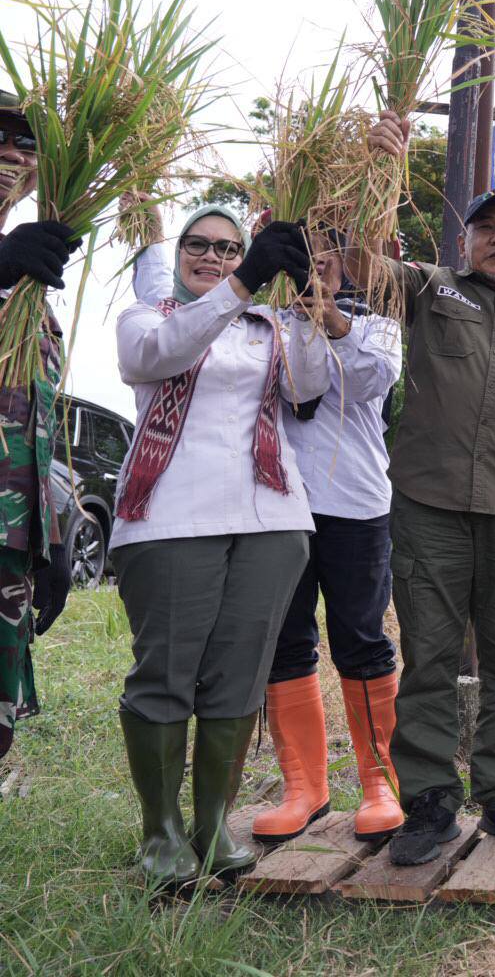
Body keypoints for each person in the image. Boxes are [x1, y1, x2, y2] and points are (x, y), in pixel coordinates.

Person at [363, 111, 495, 868]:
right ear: (464, 241)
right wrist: (380, 170)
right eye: (486, 227)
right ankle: (428, 799)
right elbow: (362, 264)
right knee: (426, 655)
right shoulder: (429, 289)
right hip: (427, 504)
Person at [112, 207, 324, 884]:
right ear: (177, 254)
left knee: (238, 676)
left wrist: (309, 298)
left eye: (231, 249)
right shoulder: (148, 318)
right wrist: (244, 283)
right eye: (200, 245)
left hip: (270, 518)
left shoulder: (270, 327)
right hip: (171, 516)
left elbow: (310, 386)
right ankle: (161, 835)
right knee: (167, 672)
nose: (215, 256)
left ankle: (211, 828)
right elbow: (162, 356)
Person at [0, 91, 74, 762]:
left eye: (26, 144)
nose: (10, 153)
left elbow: (34, 421)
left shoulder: (32, 294)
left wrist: (47, 536)